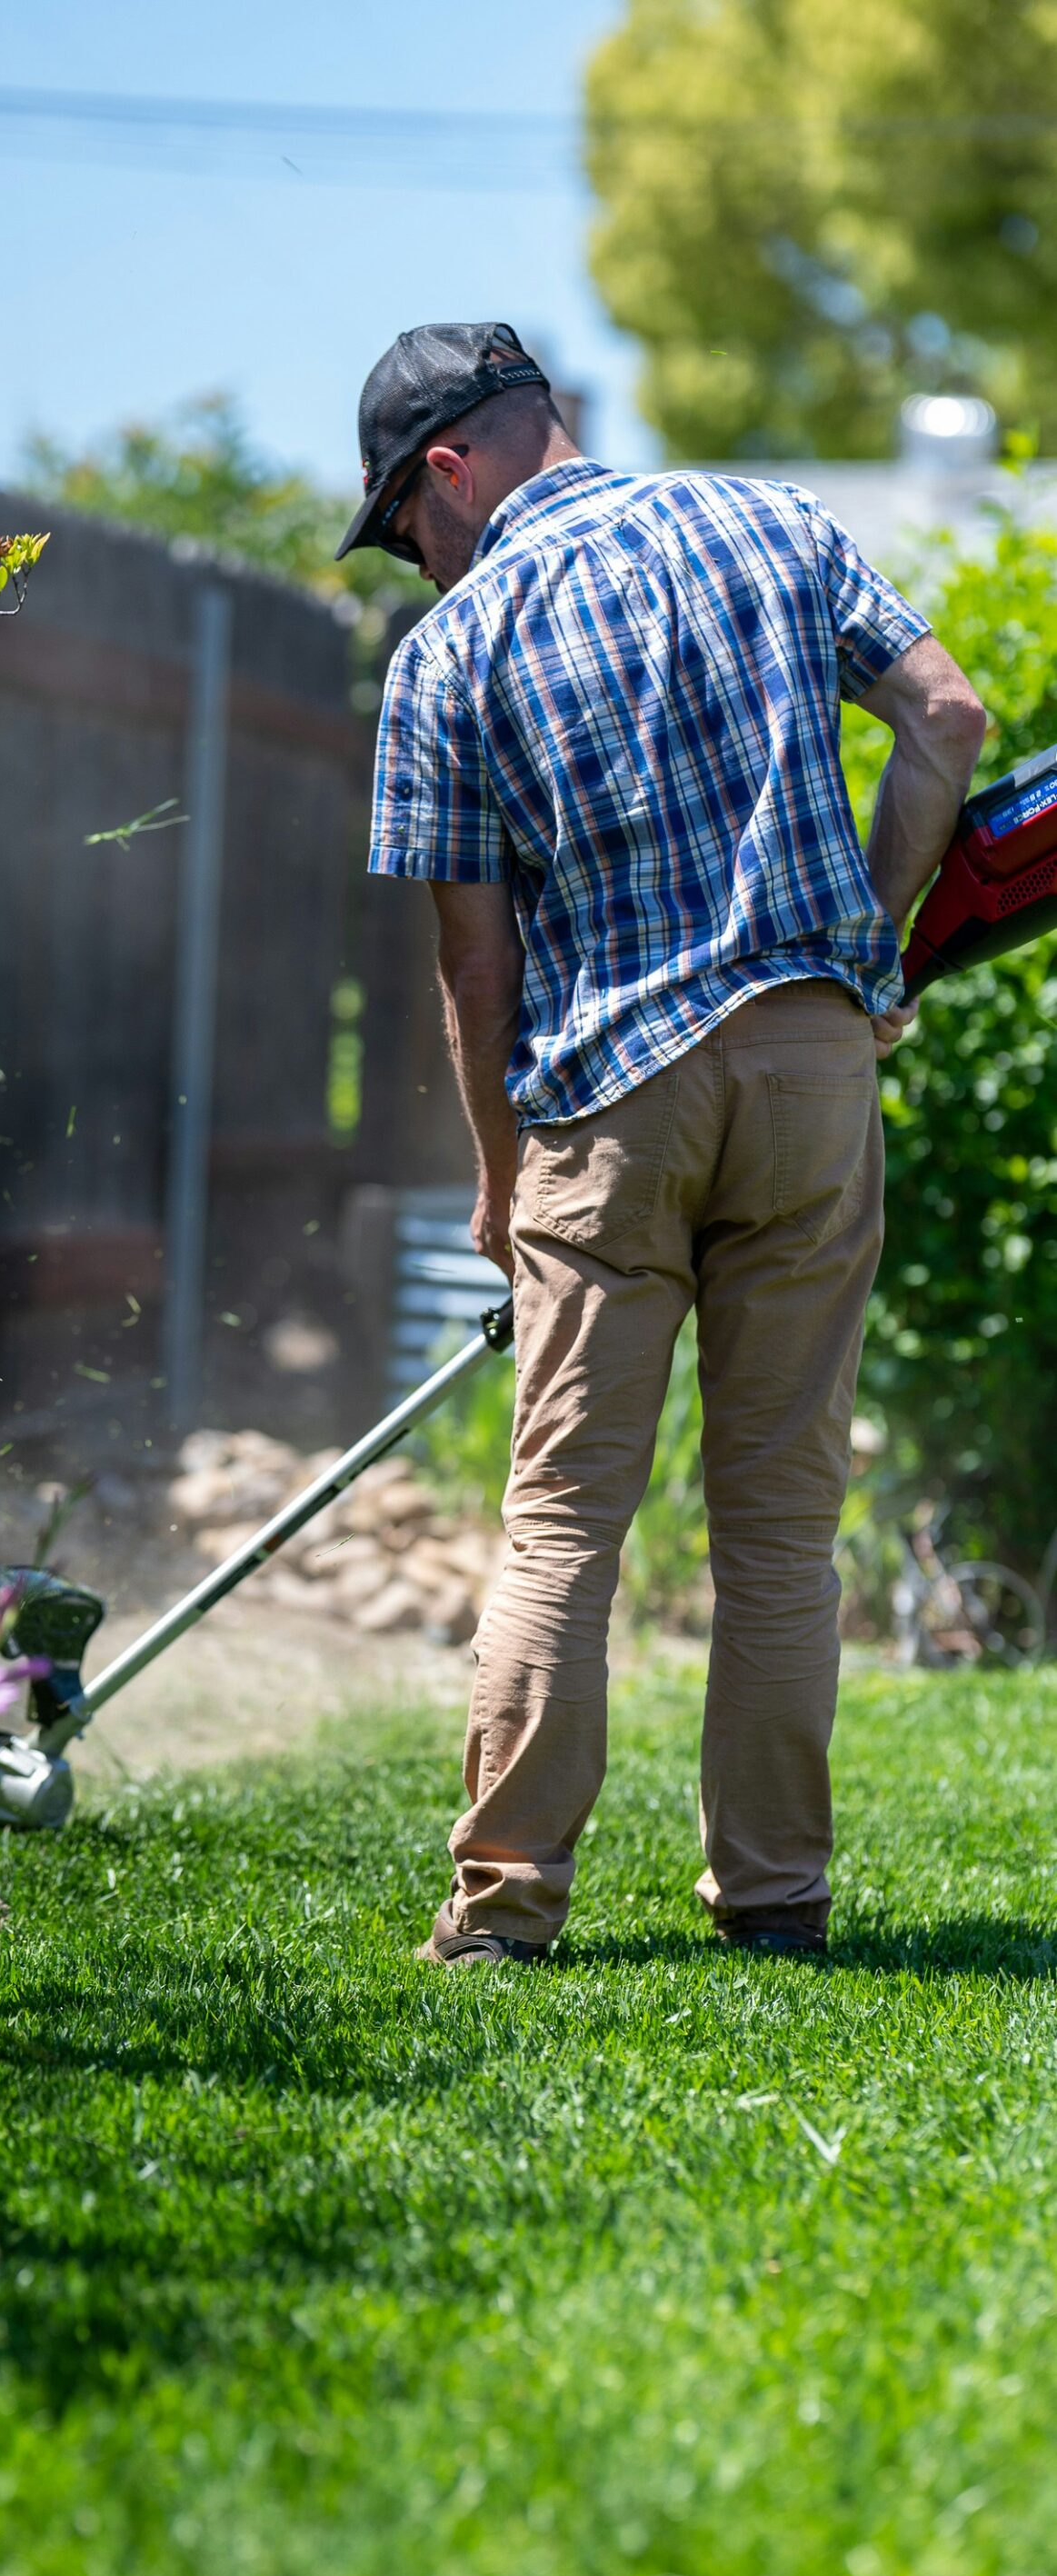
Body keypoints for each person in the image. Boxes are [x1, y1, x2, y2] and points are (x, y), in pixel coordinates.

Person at [338, 322, 987, 1964]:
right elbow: (950, 720)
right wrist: (872, 954)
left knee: (564, 1520)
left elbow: (474, 971)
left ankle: (504, 1915)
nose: (419, 565)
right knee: (782, 1521)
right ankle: (774, 1904)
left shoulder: (450, 654)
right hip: (812, 1073)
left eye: (407, 532)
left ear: (447, 472)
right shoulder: (774, 521)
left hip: (610, 1107)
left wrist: (501, 1188)